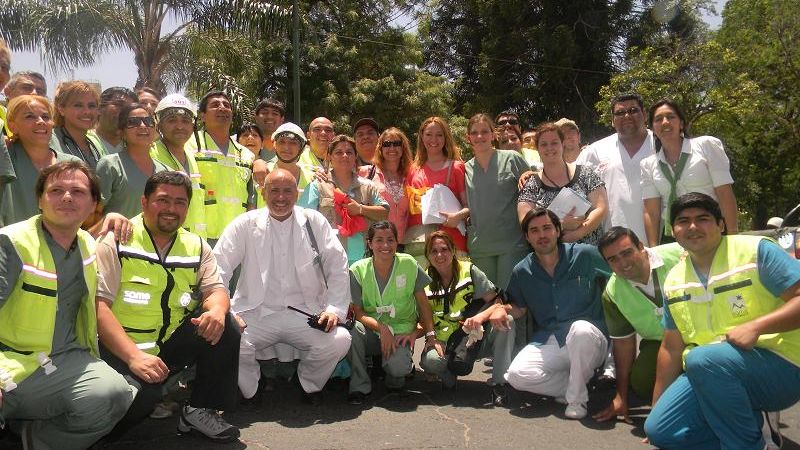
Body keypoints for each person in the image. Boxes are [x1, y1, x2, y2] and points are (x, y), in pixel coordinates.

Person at [645, 193, 800, 450]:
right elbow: (671, 347)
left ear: (721, 225)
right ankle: (753, 423)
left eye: (703, 219)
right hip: (713, 371)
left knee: (702, 359)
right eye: (683, 221)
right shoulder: (674, 280)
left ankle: (746, 445)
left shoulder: (755, 250)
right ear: (674, 231)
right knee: (661, 431)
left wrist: (756, 326)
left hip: (783, 365)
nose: (692, 227)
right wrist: (657, 405)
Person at [96, 171, 241, 443]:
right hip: (120, 348)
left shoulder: (196, 246)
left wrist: (217, 311)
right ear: (144, 202)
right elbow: (99, 307)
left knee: (227, 325)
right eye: (162, 200)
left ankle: (198, 411)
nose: (171, 209)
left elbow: (215, 290)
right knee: (135, 402)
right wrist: (133, 358)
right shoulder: (117, 240)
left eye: (180, 202)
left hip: (168, 345)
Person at [0, 161, 134, 449]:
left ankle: (37, 441)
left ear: (93, 204)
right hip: (9, 364)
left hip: (64, 360)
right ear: (40, 200)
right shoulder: (11, 242)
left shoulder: (86, 243)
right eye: (56, 190)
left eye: (77, 191)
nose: (67, 197)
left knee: (113, 395)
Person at [214, 169, 351, 406]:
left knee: (340, 339)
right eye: (274, 190)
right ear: (263, 192)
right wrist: (227, 312)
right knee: (226, 337)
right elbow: (219, 268)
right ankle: (250, 389)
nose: (280, 197)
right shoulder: (244, 224)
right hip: (256, 313)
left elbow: (337, 266)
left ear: (297, 193)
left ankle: (307, 383)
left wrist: (333, 309)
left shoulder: (313, 221)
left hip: (305, 313)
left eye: (287, 190)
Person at [503, 207, 610, 420]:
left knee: (580, 330)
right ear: (527, 237)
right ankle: (574, 385)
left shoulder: (585, 255)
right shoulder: (522, 271)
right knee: (517, 375)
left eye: (547, 228)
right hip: (552, 339)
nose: (541, 235)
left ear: (558, 230)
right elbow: (519, 308)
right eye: (534, 230)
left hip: (590, 339)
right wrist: (498, 310)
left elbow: (618, 275)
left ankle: (577, 400)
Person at [592, 227, 682, 423]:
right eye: (613, 259)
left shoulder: (679, 253)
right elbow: (623, 345)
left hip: (702, 335)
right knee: (641, 381)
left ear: (641, 247)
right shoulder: (612, 293)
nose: (623, 263)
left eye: (627, 253)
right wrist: (621, 397)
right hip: (659, 343)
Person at [347, 221, 439, 403]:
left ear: (397, 242)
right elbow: (357, 312)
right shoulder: (357, 270)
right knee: (350, 331)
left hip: (401, 333)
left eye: (390, 240)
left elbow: (423, 303)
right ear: (369, 243)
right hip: (372, 330)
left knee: (398, 369)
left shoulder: (409, 264)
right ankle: (359, 386)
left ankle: (395, 377)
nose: (385, 246)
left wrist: (429, 334)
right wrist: (382, 328)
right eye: (379, 240)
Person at [420, 231, 515, 406]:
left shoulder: (470, 271)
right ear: (427, 255)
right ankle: (448, 371)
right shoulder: (424, 281)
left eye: (444, 249)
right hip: (445, 342)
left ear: (453, 251)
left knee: (506, 320)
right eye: (434, 251)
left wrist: (480, 316)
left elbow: (497, 301)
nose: (440, 255)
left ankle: (500, 383)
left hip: (476, 337)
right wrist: (430, 338)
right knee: (432, 362)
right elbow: (422, 318)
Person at [640, 98, 737, 246]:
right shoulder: (648, 165)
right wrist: (654, 251)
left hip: (711, 231)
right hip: (675, 237)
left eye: (671, 117)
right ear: (652, 128)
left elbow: (725, 194)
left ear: (681, 123)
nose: (665, 122)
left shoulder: (706, 146)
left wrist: (733, 238)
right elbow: (651, 212)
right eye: (658, 119)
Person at [464, 113, 530, 290]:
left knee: (511, 300)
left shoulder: (512, 158)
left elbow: (532, 191)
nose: (480, 137)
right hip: (481, 246)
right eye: (475, 132)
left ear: (494, 134)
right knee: (486, 302)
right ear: (468, 137)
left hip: (512, 243)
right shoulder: (464, 168)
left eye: (485, 131)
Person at [577, 93, 654, 241]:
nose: (626, 116)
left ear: (644, 114)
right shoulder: (595, 151)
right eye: (619, 113)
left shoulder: (662, 145)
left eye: (633, 110)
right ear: (612, 120)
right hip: (611, 244)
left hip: (658, 240)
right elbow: (572, 182)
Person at [518, 122, 608, 245]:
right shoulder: (531, 184)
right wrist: (560, 225)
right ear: (537, 148)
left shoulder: (585, 173)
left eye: (554, 143)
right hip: (552, 255)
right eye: (544, 144)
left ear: (562, 144)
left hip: (590, 252)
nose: (549, 148)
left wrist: (576, 234)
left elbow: (601, 208)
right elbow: (526, 223)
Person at [306, 135, 389, 265]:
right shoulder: (317, 185)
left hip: (363, 260)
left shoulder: (368, 186)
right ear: (329, 157)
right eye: (338, 152)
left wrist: (361, 209)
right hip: (328, 258)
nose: (344, 156)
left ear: (355, 156)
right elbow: (304, 219)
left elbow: (384, 212)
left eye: (349, 152)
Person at [1, 95, 82, 227]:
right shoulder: (5, 159)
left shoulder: (73, 164)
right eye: (29, 116)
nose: (40, 121)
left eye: (46, 117)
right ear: (12, 126)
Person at [190, 90, 255, 245]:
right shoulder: (189, 145)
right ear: (202, 116)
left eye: (226, 105)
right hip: (201, 238)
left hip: (238, 238)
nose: (222, 108)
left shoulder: (246, 154)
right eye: (215, 105)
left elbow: (251, 197)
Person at [405, 116, 468, 263]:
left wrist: (457, 217)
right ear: (421, 137)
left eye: (439, 135)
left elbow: (468, 206)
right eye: (428, 134)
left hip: (452, 240)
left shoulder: (457, 167)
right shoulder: (412, 170)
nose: (434, 140)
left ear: (446, 138)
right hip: (419, 242)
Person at [95, 103, 169, 219]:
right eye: (133, 122)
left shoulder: (165, 171)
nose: (143, 125)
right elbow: (94, 213)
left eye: (148, 121)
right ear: (121, 132)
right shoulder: (110, 165)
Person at [150, 93, 207, 237]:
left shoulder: (192, 155)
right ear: (159, 124)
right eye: (172, 120)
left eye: (186, 121)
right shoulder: (150, 153)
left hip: (195, 243)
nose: (180, 126)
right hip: (166, 243)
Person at [359, 127, 412, 244]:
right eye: (387, 144)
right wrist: (322, 173)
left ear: (403, 147)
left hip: (403, 244)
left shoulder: (410, 175)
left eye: (397, 143)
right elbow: (340, 175)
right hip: (374, 244)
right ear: (380, 148)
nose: (392, 148)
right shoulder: (366, 172)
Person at [51, 80, 105, 169]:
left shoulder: (95, 145)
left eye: (91, 106)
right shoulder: (49, 141)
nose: (87, 111)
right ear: (61, 109)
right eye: (78, 105)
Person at [91, 87, 138, 155]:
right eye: (119, 105)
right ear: (99, 107)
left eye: (130, 108)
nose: (125, 111)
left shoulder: (137, 147)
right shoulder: (83, 141)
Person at [253, 97, 285, 163]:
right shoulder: (238, 140)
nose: (269, 117)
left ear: (282, 119)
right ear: (256, 117)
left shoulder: (292, 144)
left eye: (275, 114)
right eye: (264, 113)